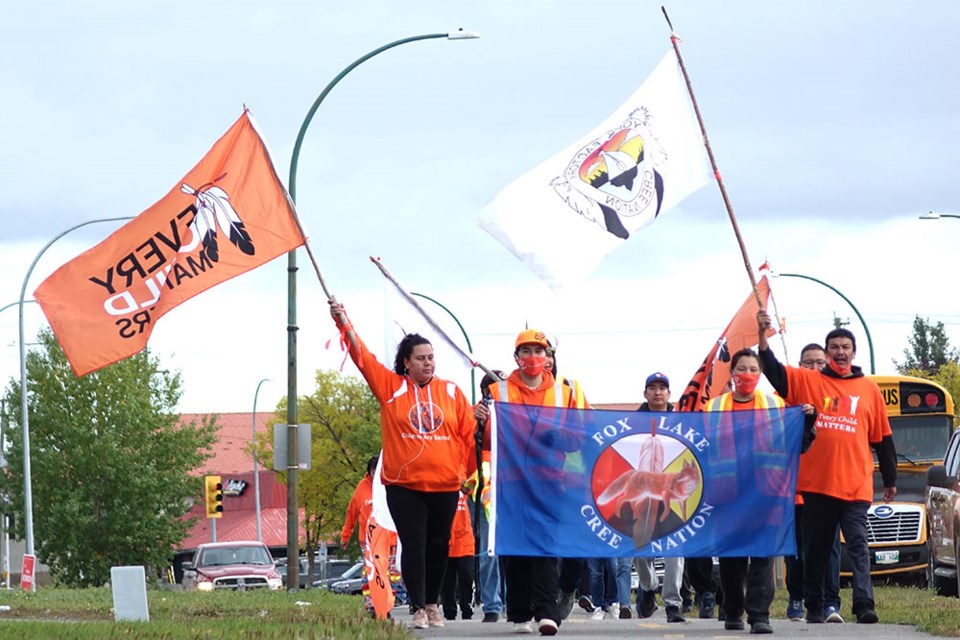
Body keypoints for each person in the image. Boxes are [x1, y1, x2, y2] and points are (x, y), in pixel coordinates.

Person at [328, 300, 477, 630]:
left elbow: (468, 436)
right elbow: (362, 357)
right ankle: (417, 608)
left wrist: (466, 475)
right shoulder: (390, 387)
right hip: (403, 484)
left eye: (431, 357)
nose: (428, 363)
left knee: (440, 544)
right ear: (406, 363)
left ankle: (433, 603)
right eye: (421, 359)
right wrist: (343, 321)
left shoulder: (452, 392)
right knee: (414, 542)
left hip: (445, 484)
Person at [757, 311, 897, 624]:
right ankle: (815, 607)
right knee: (816, 551)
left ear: (853, 352)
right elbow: (775, 372)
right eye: (834, 346)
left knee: (859, 546)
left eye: (845, 346)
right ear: (827, 352)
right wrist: (763, 338)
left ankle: (864, 605)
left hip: (857, 484)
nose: (840, 351)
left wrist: (890, 478)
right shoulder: (809, 380)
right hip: (817, 484)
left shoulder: (869, 389)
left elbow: (883, 439)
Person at [475, 329, 589, 636]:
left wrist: (560, 436)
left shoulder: (566, 392)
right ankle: (520, 613)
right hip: (511, 483)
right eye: (526, 351)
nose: (533, 357)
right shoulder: (498, 392)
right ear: (516, 357)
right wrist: (481, 420)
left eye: (539, 351)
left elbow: (581, 434)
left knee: (545, 548)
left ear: (548, 357)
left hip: (551, 481)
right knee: (517, 548)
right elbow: (488, 441)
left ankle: (546, 613)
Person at [705, 348, 805, 635]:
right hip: (728, 493)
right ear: (732, 373)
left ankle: (759, 614)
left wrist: (806, 420)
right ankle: (733, 610)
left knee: (763, 553)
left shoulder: (776, 406)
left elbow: (795, 443)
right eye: (741, 369)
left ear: (760, 374)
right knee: (731, 556)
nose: (746, 374)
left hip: (766, 491)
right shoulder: (712, 408)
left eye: (752, 369)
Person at [784, 344, 844, 623]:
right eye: (809, 363)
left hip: (828, 487)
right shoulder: (784, 398)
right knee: (796, 551)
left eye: (821, 363)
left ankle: (831, 602)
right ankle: (797, 596)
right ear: (799, 365)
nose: (815, 369)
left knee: (829, 549)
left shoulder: (836, 398)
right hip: (793, 491)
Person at [633, 372, 687, 623]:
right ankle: (648, 586)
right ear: (645, 393)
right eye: (652, 388)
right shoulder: (631, 423)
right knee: (640, 549)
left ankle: (673, 604)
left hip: (671, 492)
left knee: (675, 548)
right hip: (644, 491)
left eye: (662, 388)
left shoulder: (682, 421)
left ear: (669, 393)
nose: (657, 392)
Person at [471, 370, 506, 623]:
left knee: (515, 550)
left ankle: (514, 601)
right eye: (498, 388)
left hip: (514, 486)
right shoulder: (476, 414)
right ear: (486, 392)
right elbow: (464, 442)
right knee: (489, 550)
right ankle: (492, 604)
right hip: (487, 491)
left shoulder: (514, 411)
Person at [340, 455, 381, 615]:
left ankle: (386, 602)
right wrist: (345, 535)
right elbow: (351, 513)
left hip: (389, 538)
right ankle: (370, 603)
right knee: (371, 570)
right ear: (369, 471)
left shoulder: (389, 485)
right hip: (368, 540)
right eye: (373, 470)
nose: (376, 473)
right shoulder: (362, 488)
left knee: (390, 573)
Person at [441, 492, 476, 620]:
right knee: (447, 579)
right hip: (446, 537)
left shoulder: (465, 483)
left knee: (466, 575)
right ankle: (449, 611)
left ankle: (467, 608)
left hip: (465, 538)